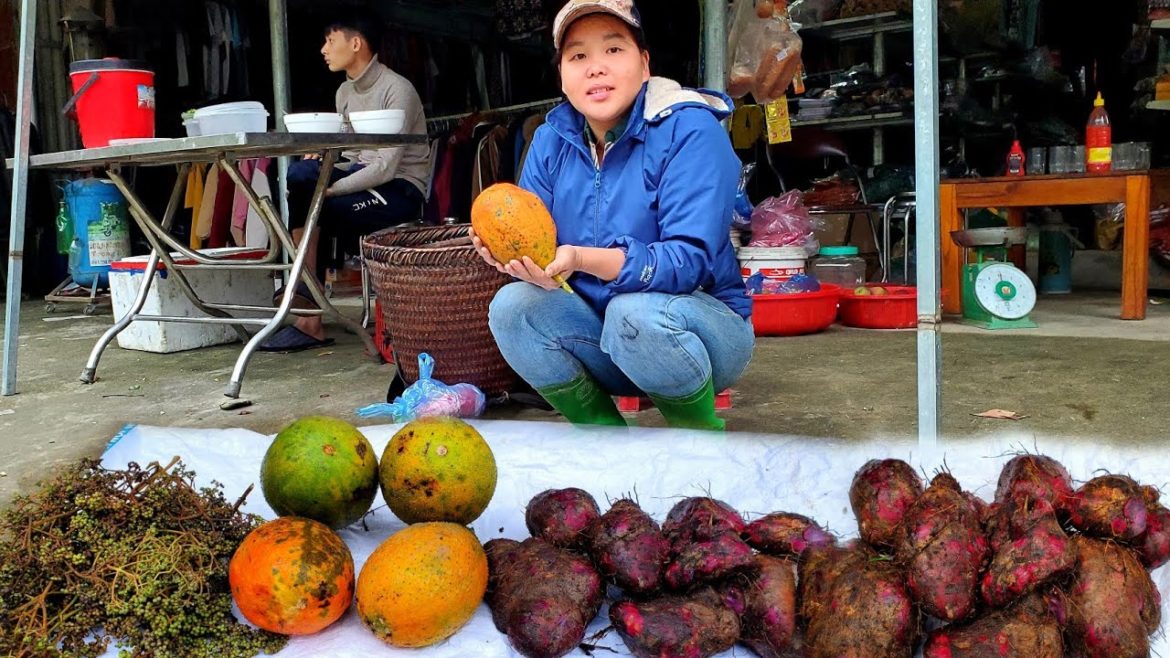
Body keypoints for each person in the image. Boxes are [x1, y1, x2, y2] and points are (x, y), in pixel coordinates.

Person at [471, 0, 755, 430]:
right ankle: (603, 437)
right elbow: (537, 243)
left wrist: (583, 259)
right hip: (601, 337)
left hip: (697, 334)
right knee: (512, 307)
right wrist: (534, 271)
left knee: (632, 312)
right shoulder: (549, 141)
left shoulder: (691, 130)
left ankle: (697, 438)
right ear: (562, 75)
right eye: (578, 56)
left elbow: (689, 260)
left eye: (614, 49)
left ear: (645, 64)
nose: (595, 68)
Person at [261, 9, 430, 352]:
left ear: (355, 44)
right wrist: (325, 165)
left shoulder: (397, 89)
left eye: (330, 40)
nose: (323, 49)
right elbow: (352, 156)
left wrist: (330, 189)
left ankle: (307, 310)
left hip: (400, 189)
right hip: (361, 180)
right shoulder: (344, 92)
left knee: (320, 206)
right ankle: (306, 293)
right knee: (300, 174)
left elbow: (385, 167)